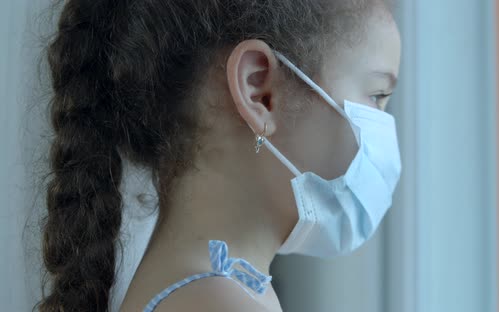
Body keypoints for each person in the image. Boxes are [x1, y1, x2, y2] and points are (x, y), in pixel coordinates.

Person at [38, 0, 402, 311]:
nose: (384, 130)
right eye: (376, 96)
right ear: (259, 92)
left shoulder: (219, 289)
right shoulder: (217, 301)